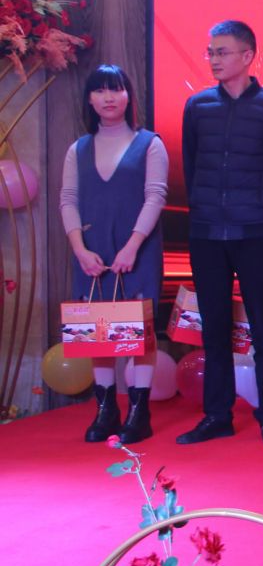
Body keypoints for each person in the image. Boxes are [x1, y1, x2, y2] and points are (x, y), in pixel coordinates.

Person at [177, 20, 263, 445]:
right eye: (211, 52)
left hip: (256, 234)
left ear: (247, 56)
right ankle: (218, 415)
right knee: (214, 328)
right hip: (207, 234)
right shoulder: (197, 106)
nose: (214, 59)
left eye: (222, 52)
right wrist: (206, 210)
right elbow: (191, 167)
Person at [62, 65, 168, 444]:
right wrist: (80, 250)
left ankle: (140, 411)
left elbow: (156, 196)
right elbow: (68, 200)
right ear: (89, 99)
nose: (109, 97)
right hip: (93, 252)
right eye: (100, 91)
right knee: (100, 328)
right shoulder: (78, 149)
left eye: (116, 89)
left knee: (140, 330)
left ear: (128, 96)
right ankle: (106, 408)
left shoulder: (150, 143)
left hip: (137, 249)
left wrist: (133, 245)